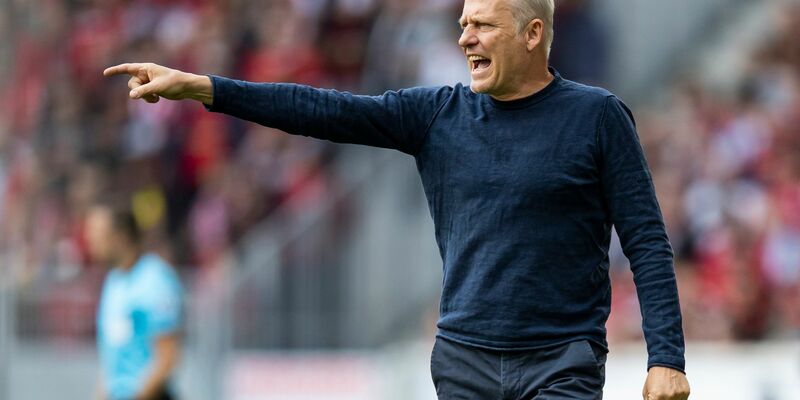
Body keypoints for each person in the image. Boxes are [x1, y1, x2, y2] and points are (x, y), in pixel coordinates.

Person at [103, 0, 691, 398]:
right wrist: (204, 87)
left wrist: (666, 356)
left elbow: (645, 240)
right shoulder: (437, 114)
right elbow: (321, 110)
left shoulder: (597, 117)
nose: (465, 36)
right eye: (463, 23)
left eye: (482, 25)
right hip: (465, 362)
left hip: (562, 361)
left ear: (531, 33)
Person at [85, 204, 183, 400]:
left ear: (120, 237)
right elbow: (110, 358)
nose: (90, 241)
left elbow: (167, 358)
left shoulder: (156, 280)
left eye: (97, 234)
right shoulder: (113, 281)